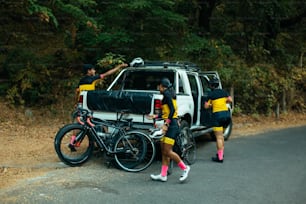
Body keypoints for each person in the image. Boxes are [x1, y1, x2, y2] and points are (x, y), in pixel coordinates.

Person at [69, 62, 128, 151]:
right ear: (89, 71)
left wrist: (75, 102)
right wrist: (119, 66)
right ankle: (99, 143)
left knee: (79, 123)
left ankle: (73, 141)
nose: (94, 71)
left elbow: (77, 92)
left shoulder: (81, 81)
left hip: (81, 105)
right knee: (98, 123)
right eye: (93, 69)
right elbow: (107, 74)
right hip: (90, 106)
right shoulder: (93, 79)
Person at [147, 77, 190, 182]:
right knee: (163, 150)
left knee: (167, 151)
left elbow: (172, 111)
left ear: (162, 86)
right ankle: (163, 174)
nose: (158, 88)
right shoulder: (169, 94)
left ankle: (185, 168)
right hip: (170, 124)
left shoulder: (166, 94)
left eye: (159, 86)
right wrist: (156, 117)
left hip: (172, 126)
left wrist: (166, 124)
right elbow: (166, 112)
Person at [204, 77, 232, 163]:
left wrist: (211, 105)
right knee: (222, 136)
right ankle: (221, 153)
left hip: (217, 116)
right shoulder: (224, 92)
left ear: (211, 86)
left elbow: (205, 106)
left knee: (219, 137)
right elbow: (230, 100)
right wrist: (224, 102)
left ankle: (220, 157)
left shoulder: (210, 95)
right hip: (227, 116)